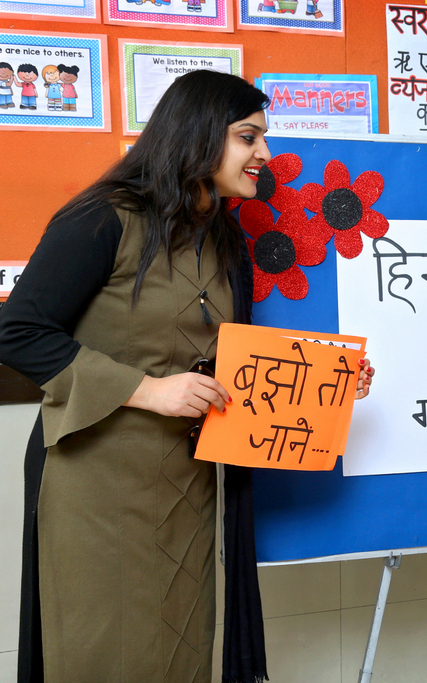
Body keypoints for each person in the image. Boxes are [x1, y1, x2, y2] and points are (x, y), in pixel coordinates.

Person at [0, 70, 374, 683]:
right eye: (248, 137)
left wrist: (331, 379)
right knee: (103, 651)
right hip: (98, 485)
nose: (265, 155)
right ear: (199, 135)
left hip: (191, 482)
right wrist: (149, 391)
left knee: (184, 647)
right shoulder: (103, 219)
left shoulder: (225, 239)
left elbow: (233, 362)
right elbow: (17, 332)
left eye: (264, 138)